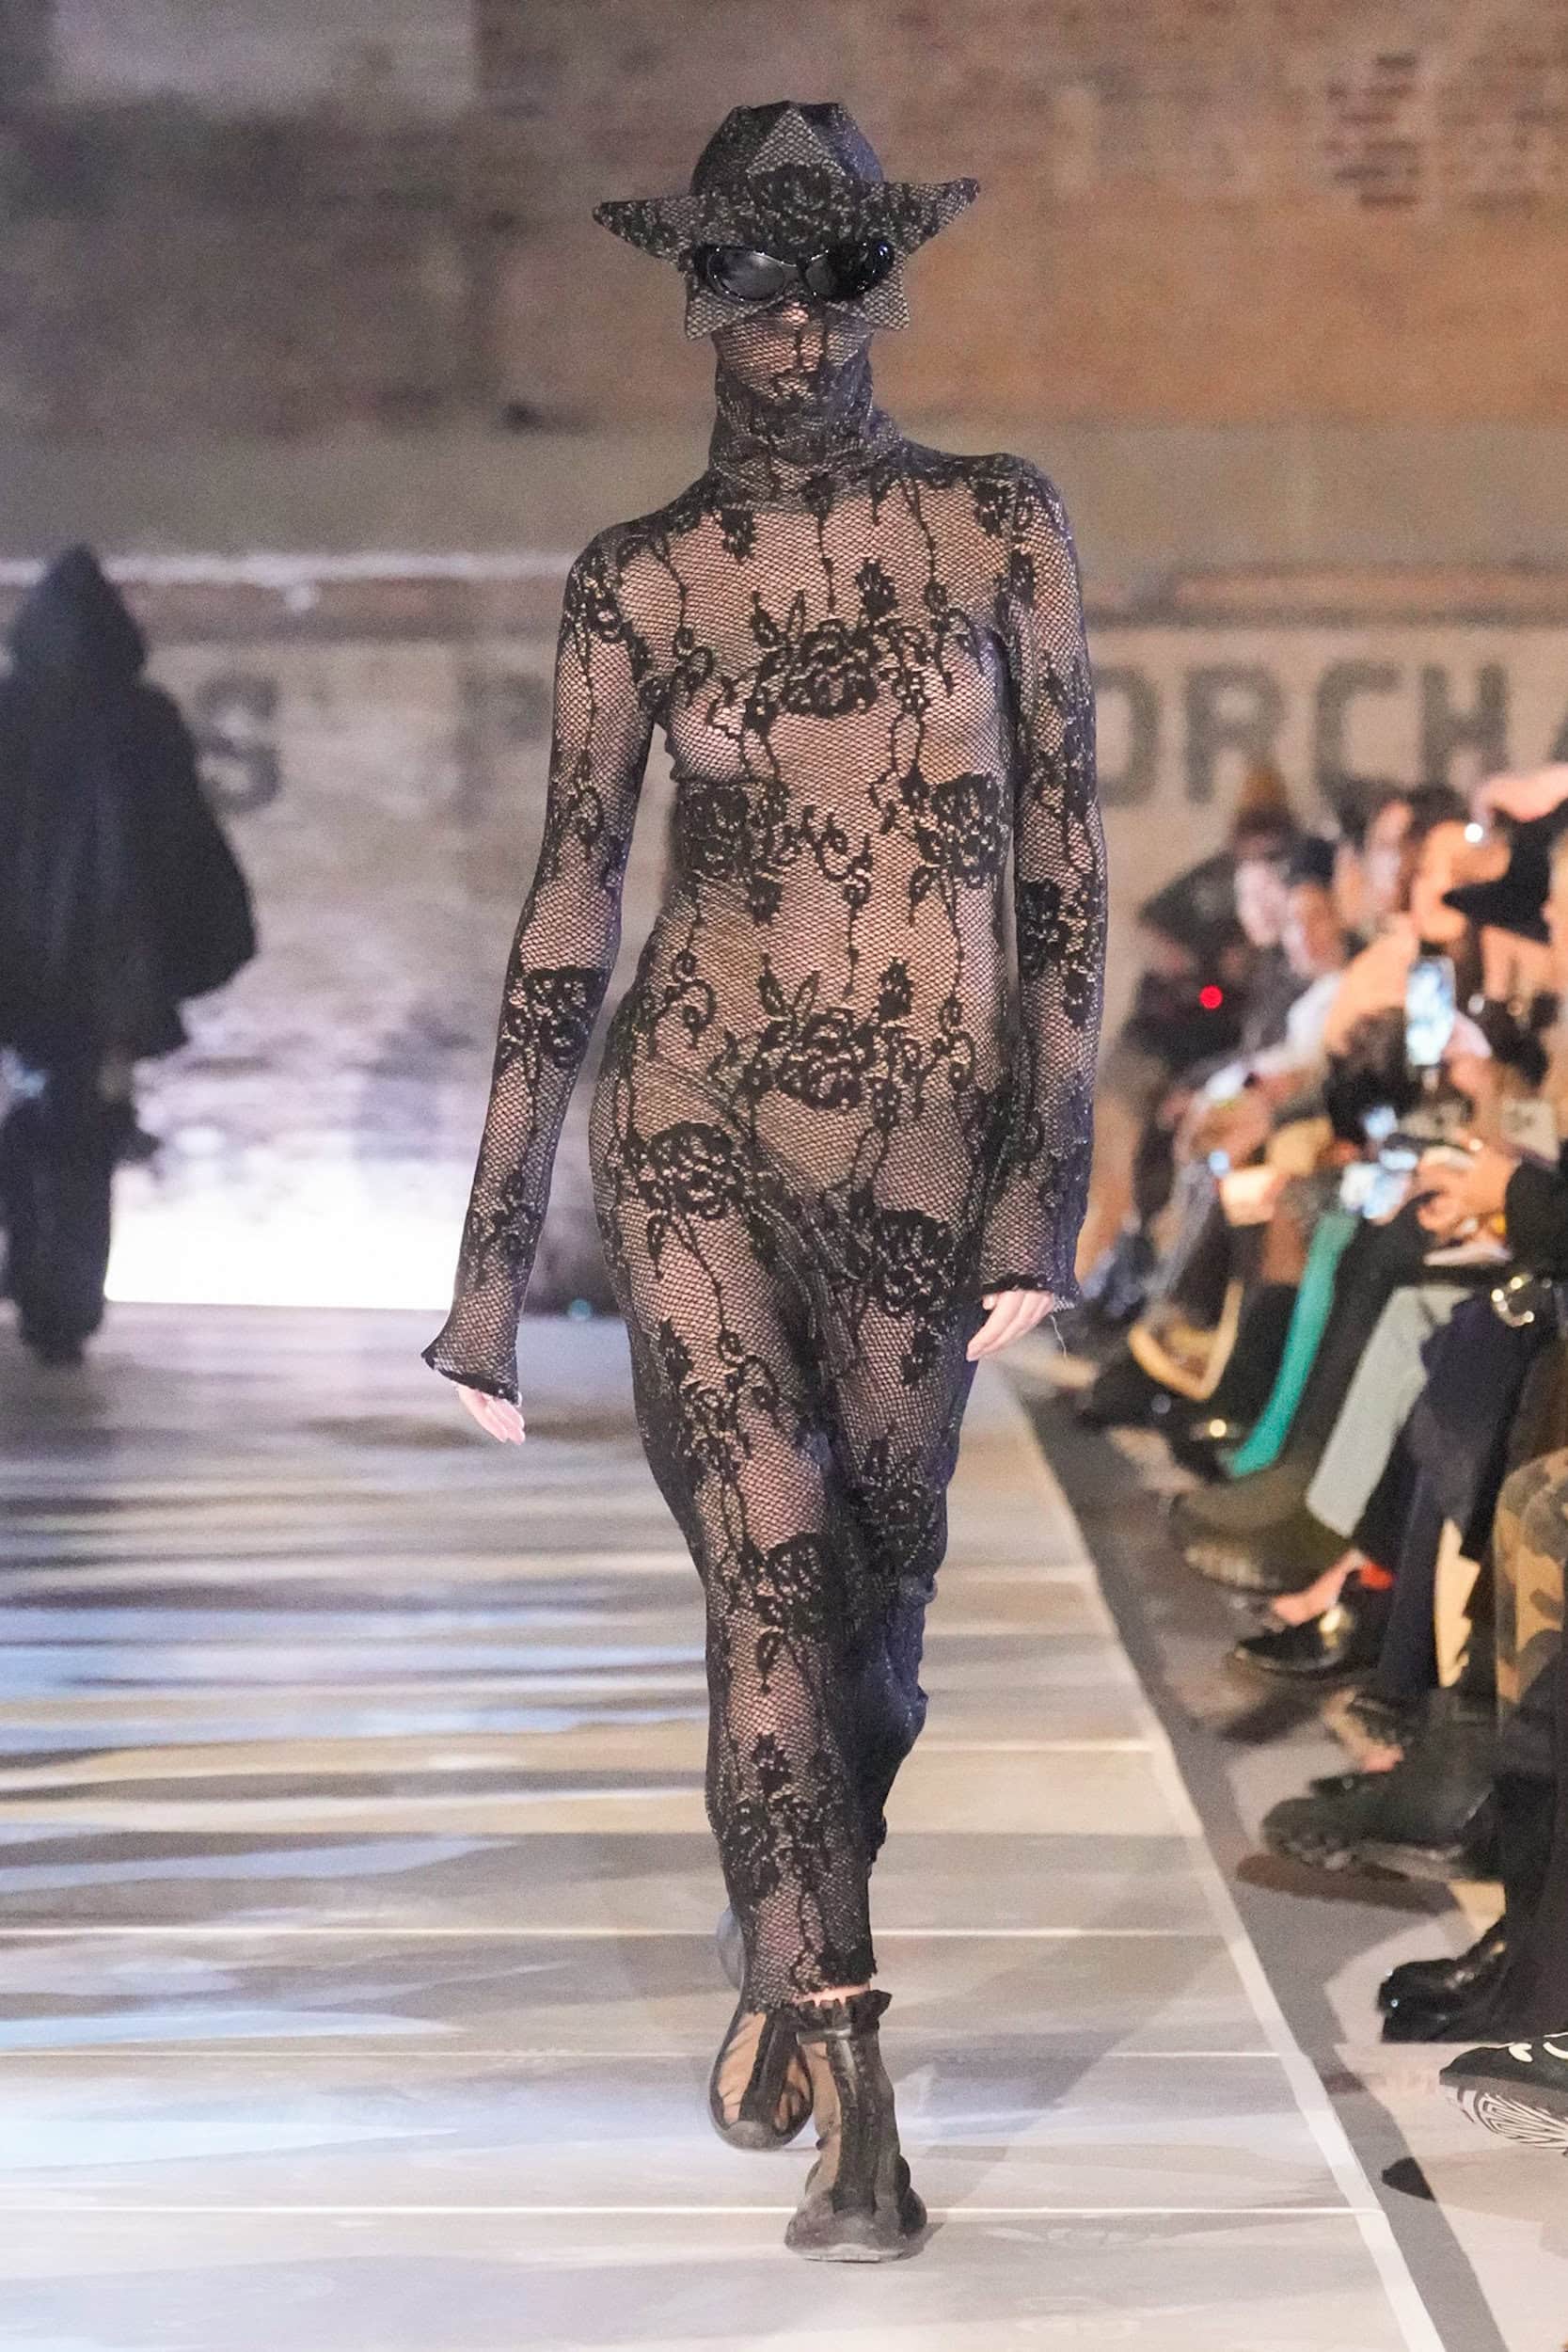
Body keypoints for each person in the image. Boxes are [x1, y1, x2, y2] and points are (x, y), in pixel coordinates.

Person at [421, 102, 1105, 2263]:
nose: (797, 332)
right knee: (774, 1580)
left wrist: (1047, 1190)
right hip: (697, 1121)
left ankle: (780, 1923)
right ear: (697, 304)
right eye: (754, 290)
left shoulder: (1000, 527)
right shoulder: (636, 578)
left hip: (927, 1145)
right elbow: (568, 906)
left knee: (876, 1628)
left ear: (881, 293)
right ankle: (857, 2095)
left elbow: (1064, 868)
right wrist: (490, 1261)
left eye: (832, 287)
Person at [0, 547, 256, 1362]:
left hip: (19, 961)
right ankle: (63, 1309)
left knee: (32, 1127)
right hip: (109, 974)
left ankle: (33, 1276)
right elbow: (179, 843)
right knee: (84, 1137)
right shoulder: (142, 721)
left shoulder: (10, 715)